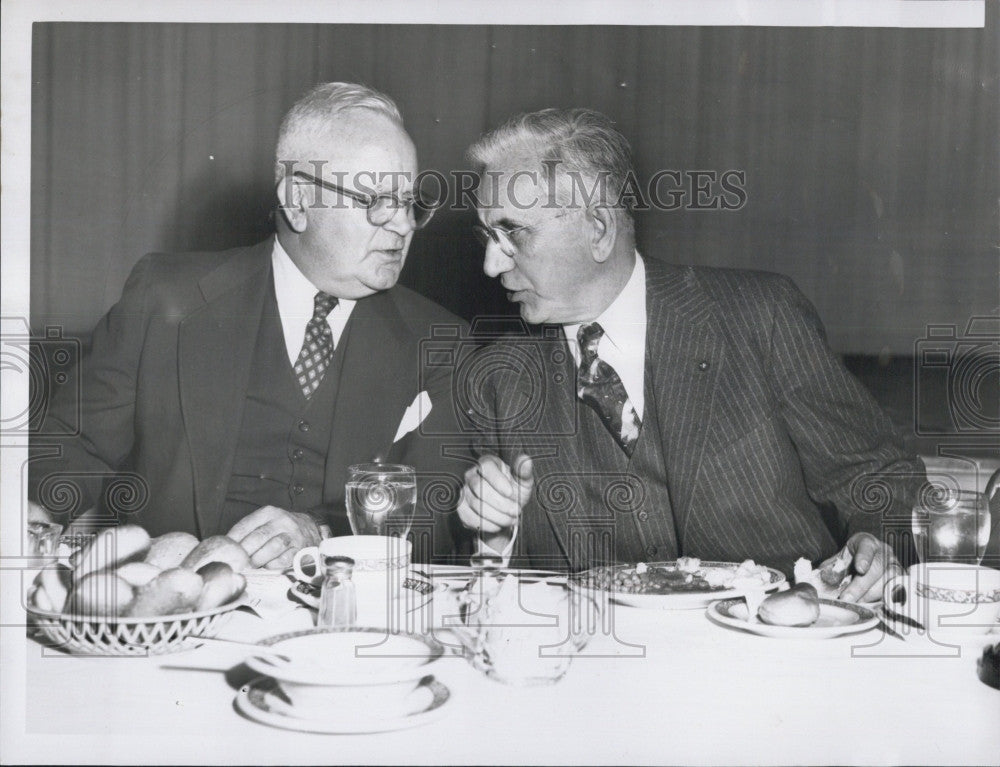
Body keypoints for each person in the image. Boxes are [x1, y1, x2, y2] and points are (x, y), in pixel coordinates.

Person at [456, 107, 923, 600]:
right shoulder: (498, 379)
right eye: (487, 236)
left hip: (776, 652)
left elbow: (878, 476)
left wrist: (875, 541)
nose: (490, 265)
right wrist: (493, 535)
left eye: (513, 233)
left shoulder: (759, 317)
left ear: (597, 228)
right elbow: (508, 584)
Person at [29, 82, 467, 568]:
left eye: (410, 202)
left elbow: (436, 512)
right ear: (299, 200)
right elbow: (72, 445)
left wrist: (321, 531)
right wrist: (32, 515)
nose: (403, 224)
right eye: (378, 201)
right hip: (177, 612)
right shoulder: (165, 297)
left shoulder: (440, 340)